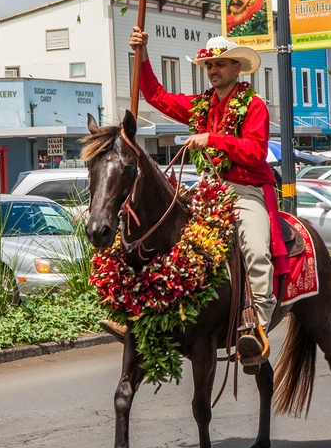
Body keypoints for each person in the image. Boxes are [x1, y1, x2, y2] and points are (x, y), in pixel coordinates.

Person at [106, 28, 288, 371]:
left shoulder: (255, 105)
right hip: (209, 190)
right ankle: (145, 314)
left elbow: (256, 151)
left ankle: (257, 327)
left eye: (219, 64)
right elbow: (156, 96)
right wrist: (142, 54)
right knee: (161, 238)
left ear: (237, 68)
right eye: (208, 66)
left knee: (256, 249)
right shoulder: (201, 106)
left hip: (246, 190)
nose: (213, 70)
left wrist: (213, 139)